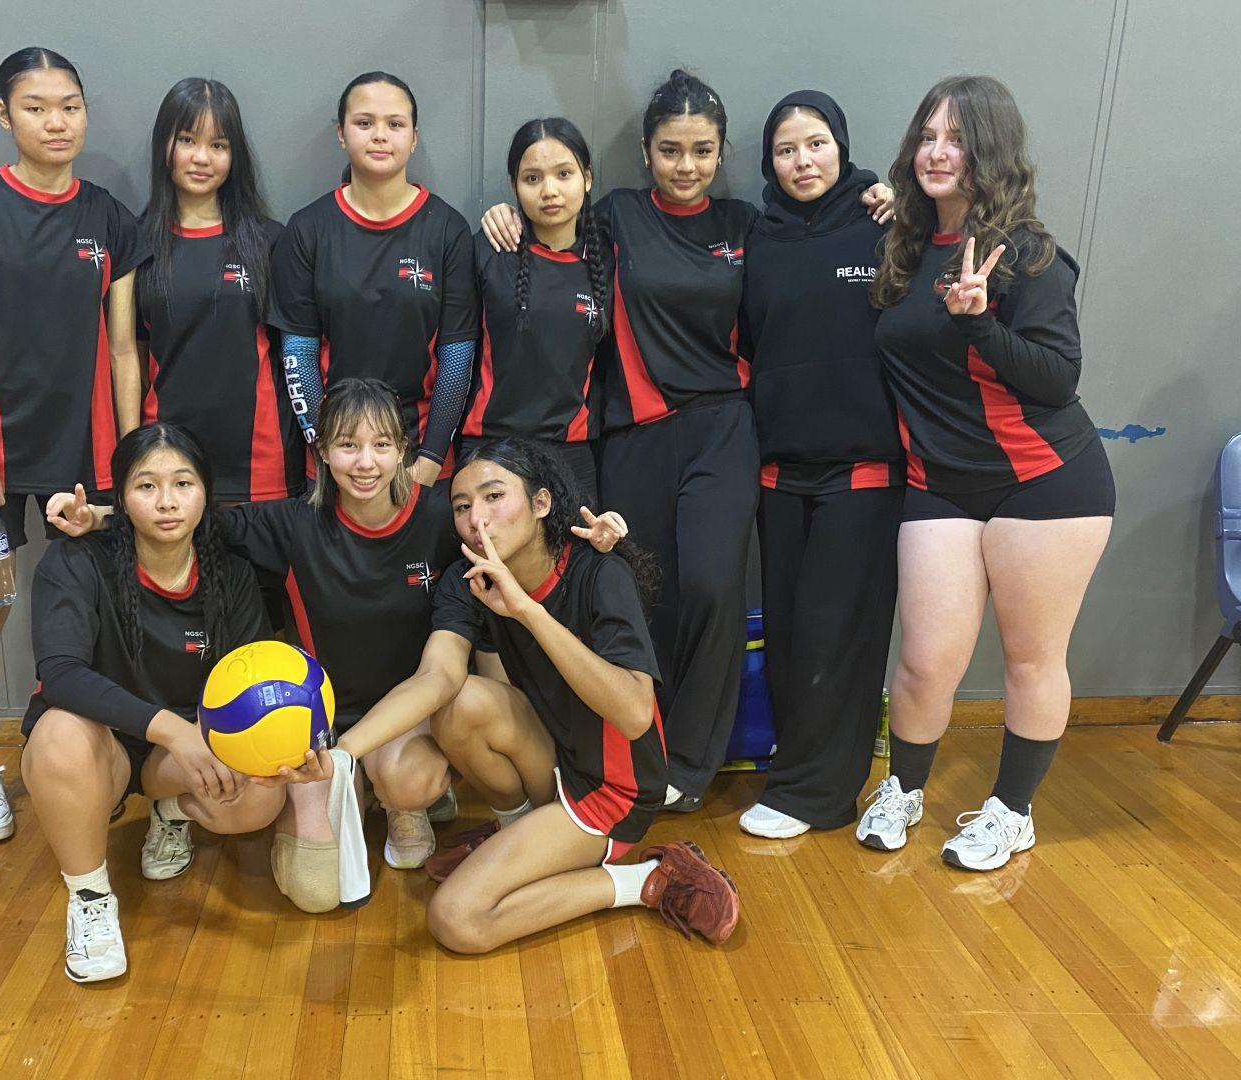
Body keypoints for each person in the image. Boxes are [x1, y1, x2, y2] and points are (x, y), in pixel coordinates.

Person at [48, 380, 630, 907]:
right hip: (318, 730)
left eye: (381, 445)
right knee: (315, 892)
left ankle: (403, 800)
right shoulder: (293, 525)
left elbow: (514, 534)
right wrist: (99, 517)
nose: (365, 462)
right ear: (322, 452)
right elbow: (183, 515)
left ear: (403, 450)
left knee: (409, 778)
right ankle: (351, 789)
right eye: (348, 445)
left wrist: (591, 541)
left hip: (409, 721)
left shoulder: (443, 516)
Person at [482, 71, 889, 811]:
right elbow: (552, 214)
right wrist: (502, 213)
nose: (686, 165)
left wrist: (875, 193)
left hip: (723, 429)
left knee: (710, 586)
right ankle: (642, 750)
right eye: (670, 150)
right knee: (644, 596)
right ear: (646, 152)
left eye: (702, 150)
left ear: (722, 153)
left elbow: (819, 229)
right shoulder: (614, 215)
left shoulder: (747, 224)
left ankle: (692, 764)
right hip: (630, 437)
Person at [289, 439, 740, 952]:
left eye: (494, 497)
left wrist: (526, 609)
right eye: (462, 506)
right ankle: (519, 831)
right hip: (554, 761)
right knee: (457, 702)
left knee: (456, 920)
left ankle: (650, 879)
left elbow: (636, 714)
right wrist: (341, 755)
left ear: (541, 503)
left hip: (613, 791)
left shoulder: (598, 569)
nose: (476, 519)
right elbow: (436, 677)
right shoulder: (468, 580)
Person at [860, 75, 1114, 871]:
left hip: (1045, 481)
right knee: (924, 660)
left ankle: (1012, 811)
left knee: (1030, 661)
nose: (937, 152)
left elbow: (1058, 379)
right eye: (928, 136)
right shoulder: (903, 245)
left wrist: (979, 324)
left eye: (958, 139)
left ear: (990, 152)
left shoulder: (1028, 255)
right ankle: (904, 789)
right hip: (940, 481)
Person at [0, 47, 147, 844]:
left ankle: (98, 757)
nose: (56, 122)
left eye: (69, 106)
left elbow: (123, 348)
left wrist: (131, 460)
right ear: (4, 115)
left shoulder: (110, 218)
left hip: (85, 452)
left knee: (97, 607)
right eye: (37, 107)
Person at [22, 423, 310, 983]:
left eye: (183, 483)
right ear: (121, 498)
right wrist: (170, 730)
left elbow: (251, 687)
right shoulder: (75, 562)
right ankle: (90, 898)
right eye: (146, 486)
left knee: (259, 796)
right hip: (101, 745)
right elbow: (60, 675)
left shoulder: (231, 575)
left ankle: (171, 812)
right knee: (59, 734)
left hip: (178, 752)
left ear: (205, 494)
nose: (167, 502)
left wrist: (287, 748)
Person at [734, 91, 904, 841]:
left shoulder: (884, 225)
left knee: (841, 636)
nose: (802, 161)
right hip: (778, 475)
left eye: (817, 144)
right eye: (785, 150)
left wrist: (904, 207)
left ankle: (821, 796)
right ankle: (798, 771)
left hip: (862, 475)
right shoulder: (758, 238)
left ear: (842, 146)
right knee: (793, 637)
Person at [276, 71, 476, 487]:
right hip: (334, 463)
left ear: (414, 137)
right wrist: (328, 452)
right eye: (364, 123)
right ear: (341, 133)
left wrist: (431, 459)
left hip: (420, 461)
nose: (380, 135)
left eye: (395, 124)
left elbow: (458, 356)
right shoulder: (307, 229)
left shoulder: (447, 229)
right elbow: (298, 355)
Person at [133, 77, 304, 505]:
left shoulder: (270, 241)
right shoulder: (137, 245)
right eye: (187, 140)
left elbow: (296, 356)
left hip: (260, 461)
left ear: (234, 155)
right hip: (168, 457)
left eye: (218, 145)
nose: (201, 158)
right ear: (164, 145)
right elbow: (132, 359)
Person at [461, 118, 611, 503]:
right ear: (514, 186)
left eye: (564, 174)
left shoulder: (605, 259)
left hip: (571, 452)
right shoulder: (488, 251)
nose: (550, 191)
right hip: (491, 447)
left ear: (587, 178)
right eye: (532, 178)